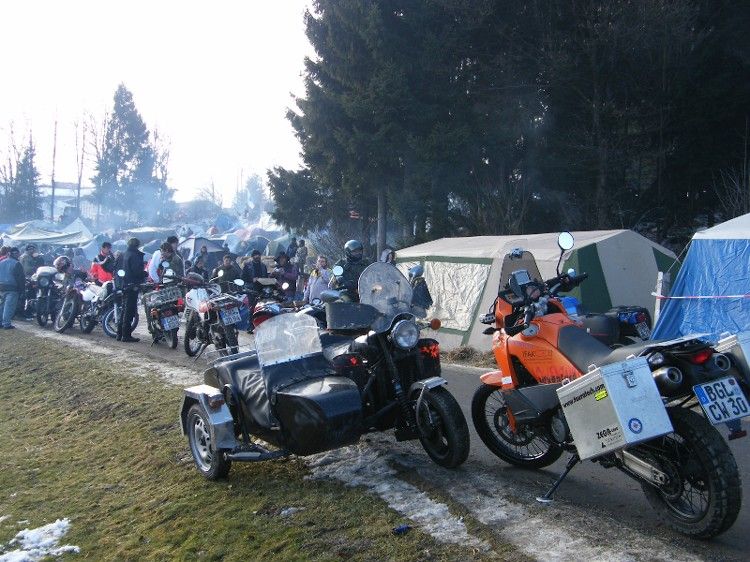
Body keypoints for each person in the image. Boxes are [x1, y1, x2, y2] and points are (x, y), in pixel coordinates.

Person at [116, 238, 147, 342]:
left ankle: (119, 334)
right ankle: (126, 335)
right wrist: (144, 274)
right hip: (132, 285)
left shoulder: (122, 255)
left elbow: (116, 269)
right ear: (138, 245)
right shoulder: (135, 256)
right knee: (129, 311)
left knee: (124, 310)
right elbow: (137, 271)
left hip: (123, 285)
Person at [0, 247, 24, 329]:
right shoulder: (17, 264)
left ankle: (0, 322)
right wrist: (22, 290)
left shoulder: (1, 262)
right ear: (16, 254)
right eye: (18, 253)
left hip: (1, 287)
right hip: (12, 287)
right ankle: (6, 324)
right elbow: (20, 278)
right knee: (9, 306)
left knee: (2, 305)